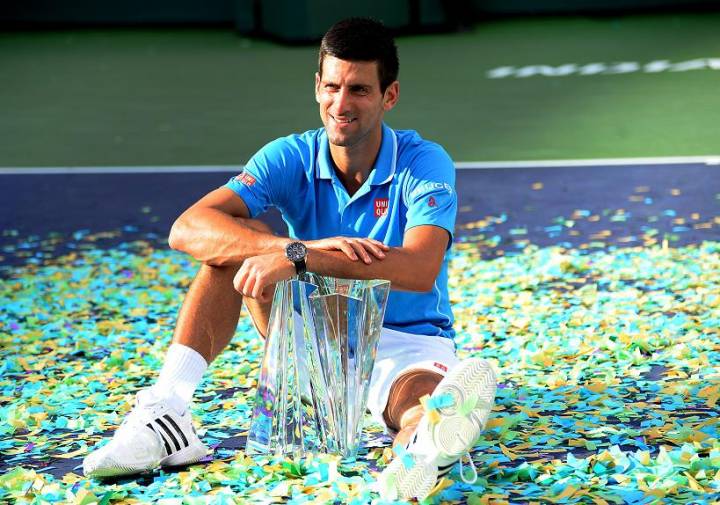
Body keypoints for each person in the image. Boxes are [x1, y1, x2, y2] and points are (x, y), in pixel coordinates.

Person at [83, 17, 497, 501]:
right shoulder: (289, 155)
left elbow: (420, 269)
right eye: (332, 87)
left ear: (390, 96)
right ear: (317, 88)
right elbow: (187, 229)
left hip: (404, 339)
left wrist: (305, 261)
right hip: (316, 341)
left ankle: (420, 447)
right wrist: (296, 251)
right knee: (233, 246)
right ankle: (168, 410)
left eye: (359, 90)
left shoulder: (424, 162)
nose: (341, 105)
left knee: (419, 404)